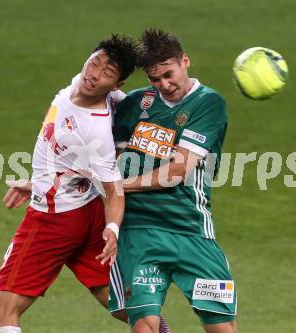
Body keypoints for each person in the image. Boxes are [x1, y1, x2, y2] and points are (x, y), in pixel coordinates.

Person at [0, 34, 136, 333]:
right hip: (83, 209)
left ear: (116, 86)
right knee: (124, 306)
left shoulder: (95, 131)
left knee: (2, 312)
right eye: (95, 63)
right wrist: (38, 181)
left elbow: (115, 191)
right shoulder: (79, 84)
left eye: (107, 73)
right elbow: (63, 151)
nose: (94, 74)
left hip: (54, 220)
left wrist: (113, 228)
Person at [108, 29, 238, 333]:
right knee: (144, 324)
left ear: (185, 61)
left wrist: (116, 186)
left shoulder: (208, 104)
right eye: (156, 79)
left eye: (169, 74)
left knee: (221, 327)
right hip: (138, 233)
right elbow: (106, 160)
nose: (165, 85)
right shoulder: (135, 104)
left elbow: (178, 171)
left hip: (190, 229)